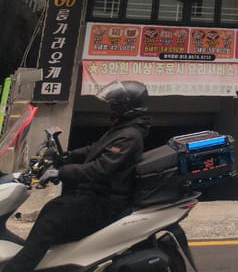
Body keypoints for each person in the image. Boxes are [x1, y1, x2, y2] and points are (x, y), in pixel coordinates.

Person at [4, 80, 150, 272]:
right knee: (51, 209)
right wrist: (66, 156)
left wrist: (61, 172)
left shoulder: (130, 136)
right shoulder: (121, 129)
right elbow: (94, 149)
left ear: (127, 106)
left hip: (105, 202)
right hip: (95, 196)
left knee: (51, 222)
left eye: (115, 104)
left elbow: (100, 169)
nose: (111, 108)